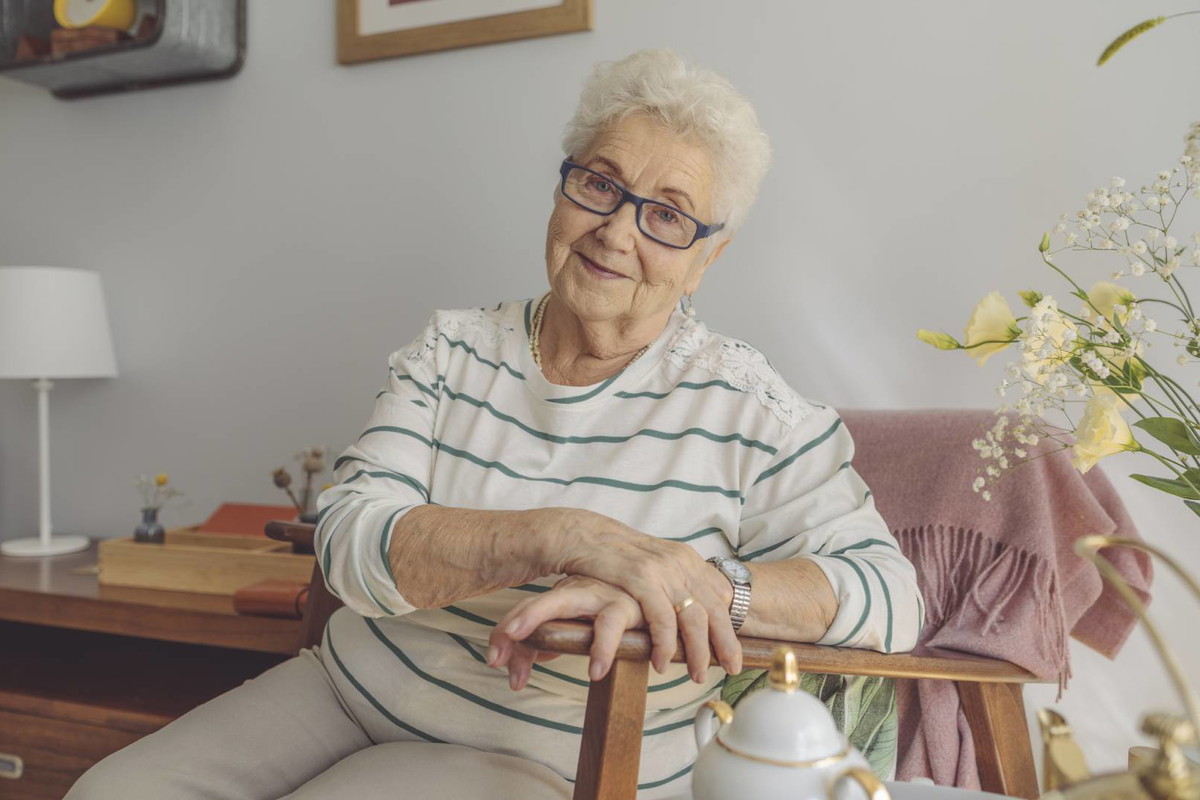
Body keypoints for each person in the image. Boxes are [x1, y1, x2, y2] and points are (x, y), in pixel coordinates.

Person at [66, 49, 922, 800]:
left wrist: (701, 583)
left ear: (707, 257)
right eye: (600, 184)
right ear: (562, 187)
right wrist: (570, 537)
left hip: (552, 751)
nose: (617, 231)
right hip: (349, 687)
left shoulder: (753, 409)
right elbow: (352, 536)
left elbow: (889, 594)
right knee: (108, 791)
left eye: (666, 214)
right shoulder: (452, 351)